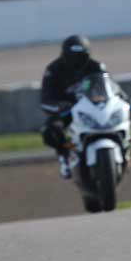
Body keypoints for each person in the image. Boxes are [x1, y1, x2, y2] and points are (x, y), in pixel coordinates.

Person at [40, 35, 107, 179]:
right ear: (64, 55)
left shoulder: (96, 67)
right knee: (50, 131)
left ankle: (124, 147)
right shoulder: (53, 70)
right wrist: (60, 107)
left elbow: (109, 89)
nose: (76, 61)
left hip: (94, 109)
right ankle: (64, 157)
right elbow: (45, 101)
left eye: (81, 57)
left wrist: (123, 100)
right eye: (72, 57)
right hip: (67, 112)